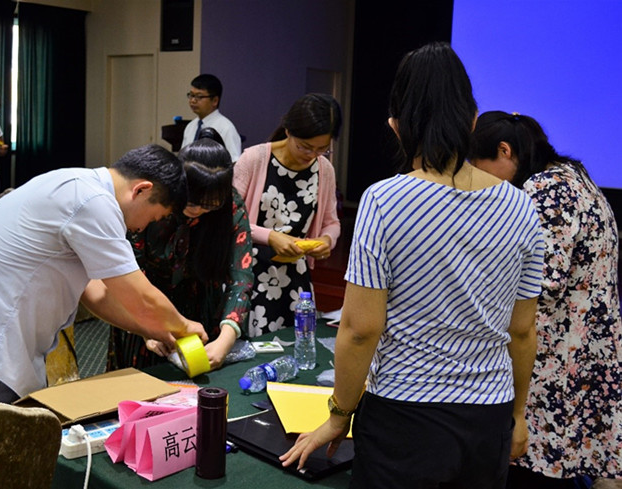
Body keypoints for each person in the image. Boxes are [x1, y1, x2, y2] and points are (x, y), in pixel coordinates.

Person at [280, 42, 545, 488]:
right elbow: (522, 331)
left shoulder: (384, 201)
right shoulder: (521, 207)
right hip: (488, 417)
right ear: (473, 120)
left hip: (404, 418)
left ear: (397, 125)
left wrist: (339, 415)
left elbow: (360, 329)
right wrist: (518, 414)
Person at [0, 144, 208, 414]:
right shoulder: (93, 203)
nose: (143, 227)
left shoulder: (77, 186)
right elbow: (141, 297)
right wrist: (184, 326)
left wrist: (152, 330)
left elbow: (97, 294)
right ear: (142, 190)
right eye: (154, 217)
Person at [468, 111, 622, 488]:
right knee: (572, 457)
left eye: (481, 168)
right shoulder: (574, 176)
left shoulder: (545, 187)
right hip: (590, 337)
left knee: (538, 462)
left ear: (504, 151)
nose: (483, 181)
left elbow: (545, 279)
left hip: (561, 346)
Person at [107, 139, 253, 370]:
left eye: (209, 206)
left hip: (202, 309)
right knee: (144, 381)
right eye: (192, 202)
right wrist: (146, 327)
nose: (197, 210)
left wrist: (225, 340)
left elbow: (241, 277)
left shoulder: (230, 205)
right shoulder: (155, 200)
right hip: (144, 300)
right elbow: (128, 270)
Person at [233, 93, 341, 337]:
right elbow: (231, 219)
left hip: (295, 277)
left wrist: (326, 240)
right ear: (288, 130)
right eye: (305, 146)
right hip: (250, 273)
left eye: (322, 149)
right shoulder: (254, 159)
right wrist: (271, 237)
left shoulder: (324, 169)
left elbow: (331, 222)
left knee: (295, 344)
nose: (312, 154)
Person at [181, 74, 243, 162]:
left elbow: (234, 162)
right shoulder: (190, 126)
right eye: (191, 95)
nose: (193, 100)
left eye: (199, 96)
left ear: (215, 101)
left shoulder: (226, 128)